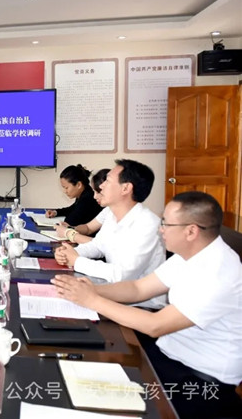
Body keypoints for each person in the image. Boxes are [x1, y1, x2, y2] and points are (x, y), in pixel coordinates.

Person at [52, 192, 242, 418]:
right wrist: (90, 290)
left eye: (166, 224)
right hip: (168, 354)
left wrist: (92, 300)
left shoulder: (218, 271)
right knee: (80, 367)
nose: (160, 230)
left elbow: (156, 325)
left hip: (201, 380)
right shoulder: (190, 254)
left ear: (191, 231)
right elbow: (138, 288)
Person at [54, 159, 166, 309]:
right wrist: (70, 253)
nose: (101, 186)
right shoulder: (112, 215)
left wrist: (77, 260)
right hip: (112, 292)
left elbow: (122, 275)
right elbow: (98, 246)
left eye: (107, 180)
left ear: (125, 188)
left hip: (142, 306)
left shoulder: (148, 225)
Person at [54, 168, 109, 244]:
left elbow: (101, 244)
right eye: (94, 192)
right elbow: (88, 228)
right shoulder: (107, 211)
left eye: (99, 192)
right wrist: (72, 228)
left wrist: (69, 233)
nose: (95, 196)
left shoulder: (88, 197)